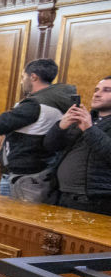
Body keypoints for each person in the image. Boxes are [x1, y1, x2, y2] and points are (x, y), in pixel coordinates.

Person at [0, 58, 76, 199]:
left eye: (23, 77)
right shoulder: (53, 101)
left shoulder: (34, 104)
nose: (21, 82)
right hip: (36, 173)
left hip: (25, 178)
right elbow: (35, 129)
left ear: (33, 77)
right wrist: (4, 123)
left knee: (13, 213)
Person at [43, 77, 111, 215]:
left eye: (106, 90)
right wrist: (60, 127)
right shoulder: (84, 118)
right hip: (62, 194)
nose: (97, 94)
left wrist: (89, 129)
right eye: (96, 90)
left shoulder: (87, 122)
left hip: (95, 200)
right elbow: (50, 145)